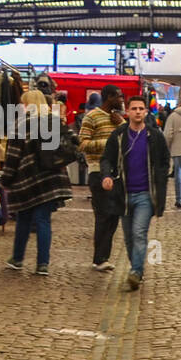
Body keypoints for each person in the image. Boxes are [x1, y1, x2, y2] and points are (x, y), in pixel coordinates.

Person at [99, 96, 170, 291]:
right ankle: (135, 268)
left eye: (141, 109)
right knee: (129, 236)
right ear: (127, 112)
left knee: (139, 233)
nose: (138, 112)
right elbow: (107, 159)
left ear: (146, 111)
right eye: (134, 108)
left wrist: (160, 178)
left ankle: (136, 272)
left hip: (146, 194)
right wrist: (107, 176)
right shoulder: (119, 136)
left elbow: (165, 160)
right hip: (124, 194)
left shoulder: (154, 136)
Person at [0, 90, 73, 275]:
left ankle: (17, 258)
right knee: (43, 221)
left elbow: (13, 156)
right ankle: (43, 264)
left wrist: (6, 179)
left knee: (24, 220)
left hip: (28, 180)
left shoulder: (21, 124)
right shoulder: (54, 122)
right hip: (52, 179)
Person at [79, 84, 124, 272]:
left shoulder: (118, 119)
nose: (122, 100)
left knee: (114, 216)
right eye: (119, 97)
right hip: (98, 171)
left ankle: (104, 256)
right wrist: (109, 143)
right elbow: (83, 144)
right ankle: (99, 258)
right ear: (109, 97)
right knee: (103, 216)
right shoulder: (92, 117)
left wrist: (121, 124)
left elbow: (129, 137)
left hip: (117, 173)